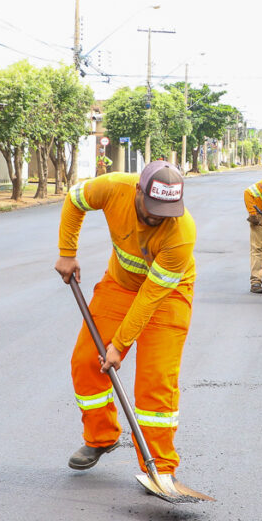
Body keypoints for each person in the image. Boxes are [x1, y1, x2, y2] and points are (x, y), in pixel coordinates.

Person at [53, 161, 196, 478]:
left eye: (166, 210)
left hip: (166, 296)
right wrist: (67, 251)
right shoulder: (113, 187)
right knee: (87, 360)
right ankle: (101, 437)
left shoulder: (181, 233)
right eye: (153, 206)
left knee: (156, 379)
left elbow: (149, 298)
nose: (158, 216)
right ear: (138, 191)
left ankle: (160, 466)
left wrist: (118, 345)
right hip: (120, 284)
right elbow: (74, 201)